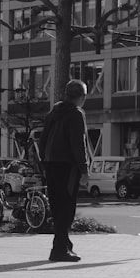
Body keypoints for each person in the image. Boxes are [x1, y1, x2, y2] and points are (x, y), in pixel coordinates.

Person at [39, 79, 90, 262]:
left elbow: (42, 140)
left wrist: (44, 162)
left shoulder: (54, 112)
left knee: (57, 206)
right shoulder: (76, 114)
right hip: (67, 166)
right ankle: (59, 249)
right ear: (82, 97)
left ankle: (63, 244)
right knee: (67, 208)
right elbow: (78, 145)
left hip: (51, 164)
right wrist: (84, 170)